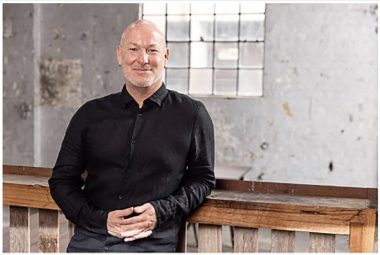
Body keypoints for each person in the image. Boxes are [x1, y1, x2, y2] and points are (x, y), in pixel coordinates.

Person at [48, 19, 215, 252]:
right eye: (133, 49)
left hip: (153, 241)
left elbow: (203, 179)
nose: (142, 59)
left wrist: (161, 211)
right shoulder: (89, 114)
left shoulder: (193, 114)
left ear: (166, 56)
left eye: (152, 50)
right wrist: (99, 220)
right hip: (91, 240)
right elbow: (61, 181)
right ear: (120, 55)